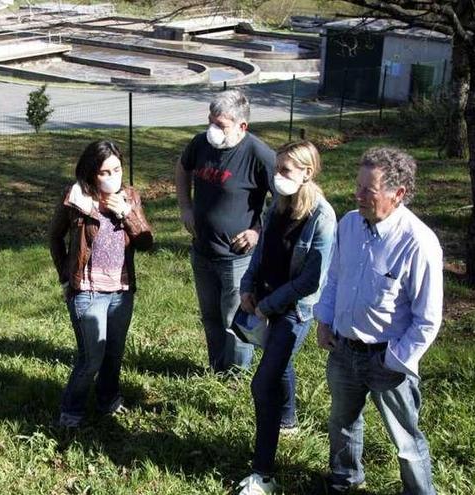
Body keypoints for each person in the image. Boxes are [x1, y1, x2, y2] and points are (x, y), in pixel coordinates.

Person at [314, 147, 442, 494]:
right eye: (357, 186)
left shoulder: (418, 242)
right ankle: (344, 480)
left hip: (388, 360)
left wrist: (394, 360)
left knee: (405, 439)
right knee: (342, 423)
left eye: (367, 190)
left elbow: (427, 319)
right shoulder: (349, 224)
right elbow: (336, 278)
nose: (357, 195)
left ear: (397, 194)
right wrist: (325, 320)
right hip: (343, 350)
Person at [236, 141, 336, 494]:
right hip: (264, 300)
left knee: (262, 383)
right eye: (276, 169)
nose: (277, 177)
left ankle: (263, 474)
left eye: (286, 171)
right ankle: (288, 419)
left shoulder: (322, 217)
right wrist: (248, 286)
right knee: (278, 362)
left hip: (294, 310)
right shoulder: (275, 205)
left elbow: (312, 279)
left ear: (308, 173)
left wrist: (270, 305)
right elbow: (261, 251)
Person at [48, 140, 153, 428]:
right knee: (91, 357)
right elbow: (55, 237)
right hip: (87, 292)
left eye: (117, 170)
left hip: (121, 291)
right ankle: (71, 412)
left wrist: (127, 213)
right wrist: (66, 275)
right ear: (91, 173)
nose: (113, 177)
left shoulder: (130, 196)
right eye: (105, 172)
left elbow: (146, 242)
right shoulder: (75, 198)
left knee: (114, 352)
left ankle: (109, 400)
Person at [175, 89, 276, 372]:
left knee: (235, 318)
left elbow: (284, 199)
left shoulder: (258, 154)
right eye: (210, 121)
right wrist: (185, 206)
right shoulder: (200, 144)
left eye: (221, 125)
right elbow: (182, 168)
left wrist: (258, 230)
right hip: (202, 251)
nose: (212, 130)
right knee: (210, 317)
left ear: (242, 126)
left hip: (236, 257)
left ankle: (236, 377)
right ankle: (216, 368)